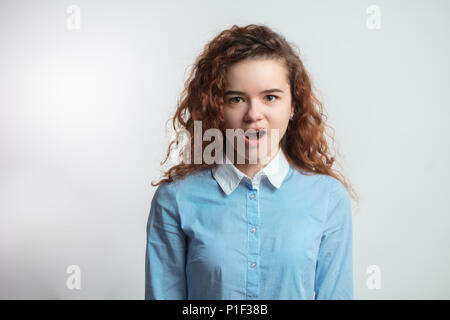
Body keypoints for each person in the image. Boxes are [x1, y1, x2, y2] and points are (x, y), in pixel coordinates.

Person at [145, 24, 358, 300]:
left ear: (293, 105)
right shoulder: (174, 199)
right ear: (216, 107)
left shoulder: (328, 198)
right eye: (236, 99)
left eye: (270, 97)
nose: (253, 114)